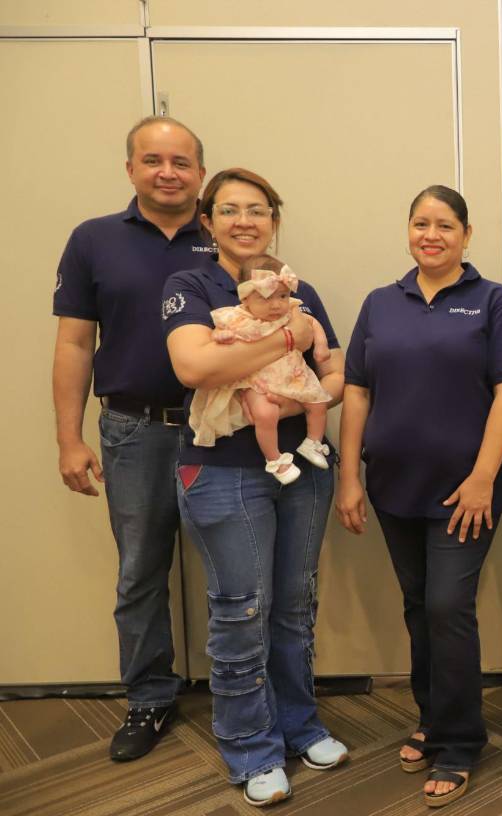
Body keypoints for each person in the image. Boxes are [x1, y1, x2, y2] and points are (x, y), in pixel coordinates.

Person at [335, 185, 502, 808]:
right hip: (393, 485)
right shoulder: (380, 303)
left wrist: (483, 475)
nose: (432, 235)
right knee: (419, 605)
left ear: (466, 234)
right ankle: (432, 716)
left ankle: (460, 742)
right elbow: (358, 391)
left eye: (445, 225)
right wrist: (348, 476)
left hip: (464, 490)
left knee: (449, 607)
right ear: (408, 230)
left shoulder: (492, 301)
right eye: (421, 223)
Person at [163, 167, 349, 806]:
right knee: (243, 608)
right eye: (231, 209)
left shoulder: (301, 288)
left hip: (300, 466)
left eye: (259, 209)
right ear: (208, 220)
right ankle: (252, 748)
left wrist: (287, 372)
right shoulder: (190, 284)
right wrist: (285, 339)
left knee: (295, 606)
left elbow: (336, 374)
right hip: (221, 473)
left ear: (274, 218)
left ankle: (299, 725)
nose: (246, 220)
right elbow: (195, 366)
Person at [51, 116, 210, 761]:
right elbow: (72, 343)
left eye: (180, 161)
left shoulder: (226, 235)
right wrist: (69, 438)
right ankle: (149, 698)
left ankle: (242, 691)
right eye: (153, 160)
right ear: (130, 170)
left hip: (217, 429)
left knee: (239, 568)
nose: (167, 172)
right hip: (131, 430)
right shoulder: (94, 240)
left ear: (200, 171)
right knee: (140, 571)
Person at [189, 254, 333, 485]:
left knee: (318, 402)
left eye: (283, 296)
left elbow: (313, 324)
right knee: (266, 414)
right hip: (259, 381)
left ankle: (313, 442)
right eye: (266, 298)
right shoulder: (237, 317)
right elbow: (213, 337)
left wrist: (322, 347)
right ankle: (275, 459)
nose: (276, 305)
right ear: (246, 299)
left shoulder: (292, 311)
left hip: (294, 376)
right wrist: (220, 335)